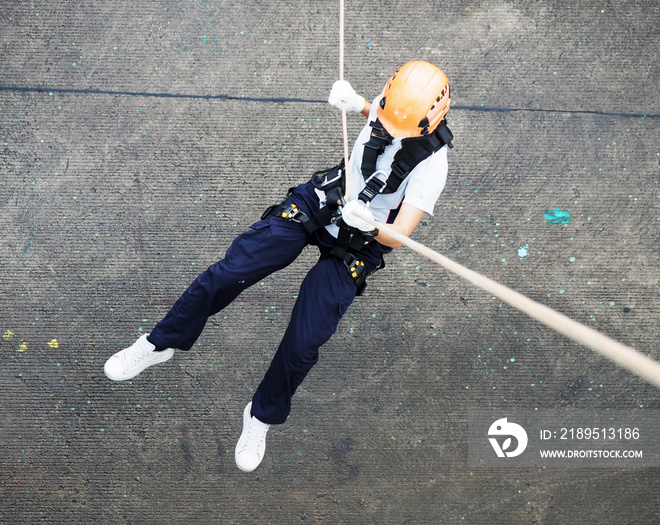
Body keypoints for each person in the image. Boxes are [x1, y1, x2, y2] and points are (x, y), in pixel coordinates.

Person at [104, 61, 453, 473]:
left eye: (398, 128)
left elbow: (399, 235)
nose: (388, 128)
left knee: (304, 342)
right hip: (324, 201)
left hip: (362, 240)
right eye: (385, 116)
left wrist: (373, 223)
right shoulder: (396, 105)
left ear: (430, 121)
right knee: (231, 271)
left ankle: (260, 416)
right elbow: (379, 115)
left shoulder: (433, 165)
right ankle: (158, 344)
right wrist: (357, 102)